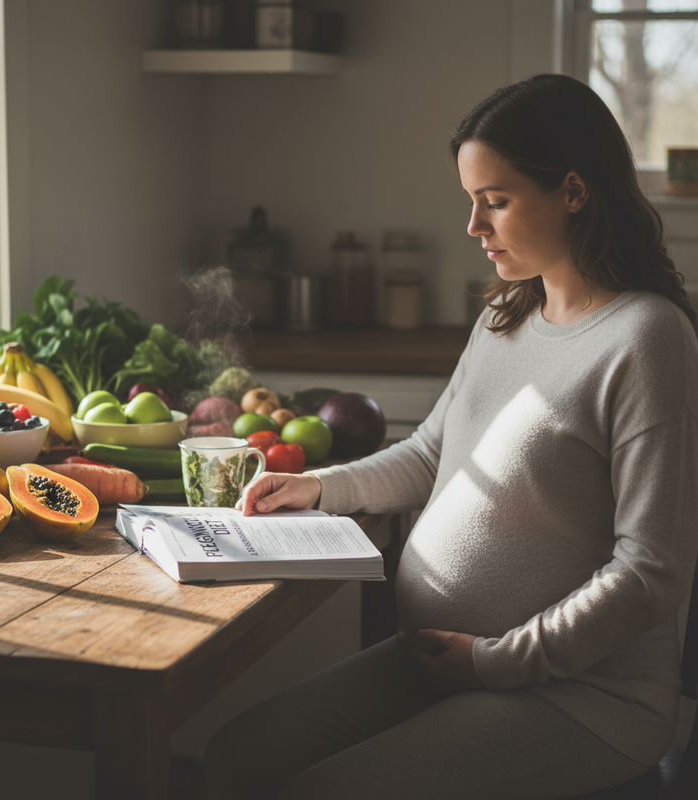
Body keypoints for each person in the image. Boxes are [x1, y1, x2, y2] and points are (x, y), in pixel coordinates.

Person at [202, 74, 698, 799]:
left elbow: (650, 573)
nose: (474, 226)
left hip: (580, 696)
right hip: (442, 661)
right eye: (472, 201)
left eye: (494, 201)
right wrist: (320, 487)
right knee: (237, 755)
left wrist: (494, 661)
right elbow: (434, 452)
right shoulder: (509, 314)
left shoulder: (646, 339)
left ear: (573, 191)